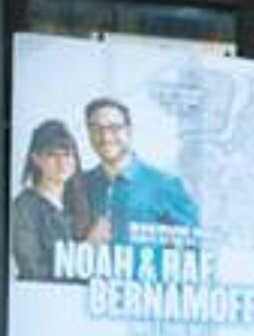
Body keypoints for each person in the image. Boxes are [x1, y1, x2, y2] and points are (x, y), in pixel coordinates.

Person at [76, 96, 199, 242]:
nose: (106, 137)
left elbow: (191, 247)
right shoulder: (79, 185)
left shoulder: (166, 186)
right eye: (96, 128)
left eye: (114, 128)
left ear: (129, 130)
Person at [11, 119, 84, 280]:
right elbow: (31, 270)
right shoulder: (24, 206)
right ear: (36, 158)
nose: (62, 162)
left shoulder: (78, 203)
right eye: (52, 155)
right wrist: (85, 255)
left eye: (67, 154)